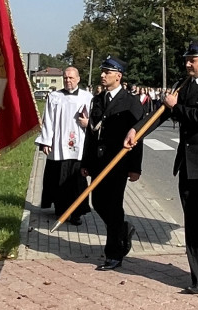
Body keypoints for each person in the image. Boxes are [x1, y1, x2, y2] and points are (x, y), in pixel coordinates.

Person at [126, 41, 198, 294]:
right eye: (186, 59)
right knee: (194, 222)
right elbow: (159, 115)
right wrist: (137, 130)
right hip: (187, 165)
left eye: (193, 60)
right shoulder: (182, 87)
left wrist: (176, 106)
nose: (187, 63)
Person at [81, 57, 144, 270]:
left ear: (118, 75)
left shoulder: (131, 101)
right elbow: (91, 134)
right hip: (98, 162)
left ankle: (114, 253)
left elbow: (138, 136)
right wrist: (86, 162)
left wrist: (135, 168)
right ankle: (122, 230)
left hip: (119, 163)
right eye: (102, 71)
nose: (102, 75)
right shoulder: (97, 100)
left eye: (107, 72)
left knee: (114, 206)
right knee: (97, 202)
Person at [36, 66, 92, 226]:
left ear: (78, 78)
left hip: (79, 145)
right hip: (59, 145)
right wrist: (46, 140)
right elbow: (48, 120)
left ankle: (76, 213)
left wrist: (88, 124)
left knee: (76, 181)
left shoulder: (87, 97)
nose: (68, 80)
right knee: (58, 180)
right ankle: (60, 209)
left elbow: (95, 121)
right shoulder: (55, 96)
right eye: (66, 78)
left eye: (71, 78)